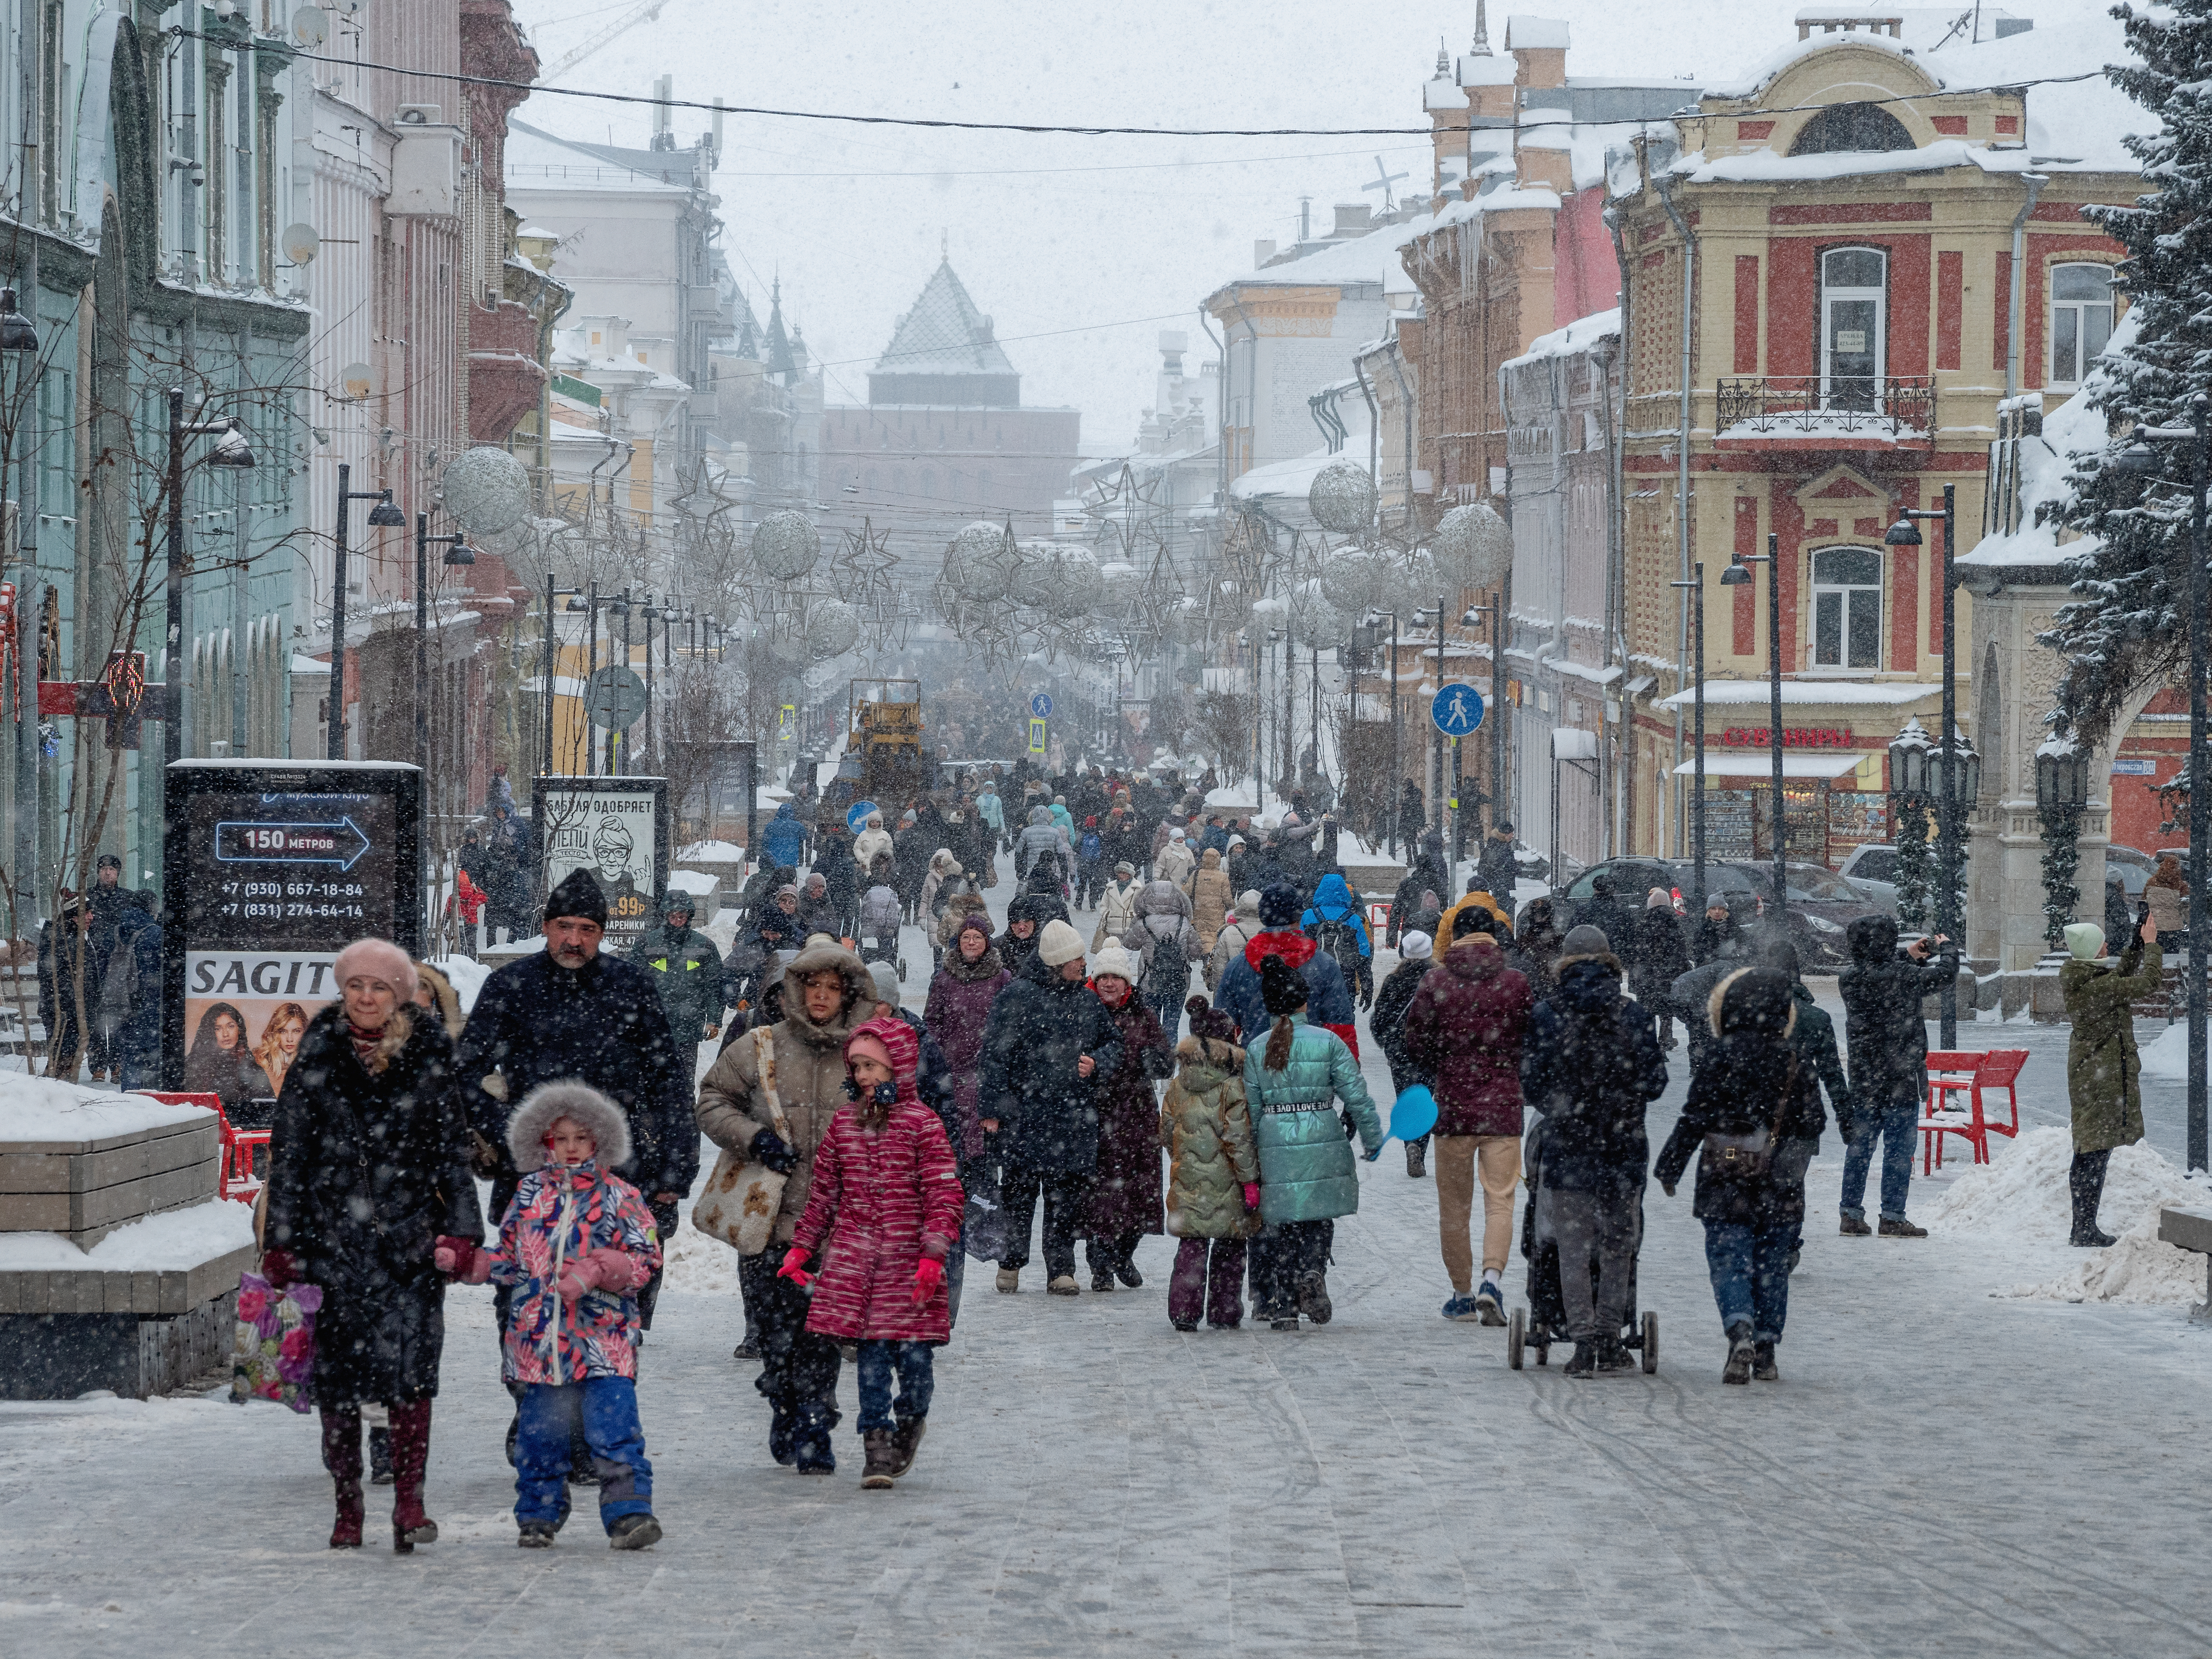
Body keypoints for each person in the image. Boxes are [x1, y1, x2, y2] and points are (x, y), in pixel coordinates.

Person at [260, 938, 482, 1552]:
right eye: (356, 985)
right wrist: (281, 1242)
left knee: (412, 1379)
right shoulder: (319, 1048)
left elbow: (450, 1151)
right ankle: (348, 1502)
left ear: (401, 994)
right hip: (330, 1243)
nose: (365, 997)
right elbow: (292, 1154)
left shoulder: (429, 1049)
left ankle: (410, 1501)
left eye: (379, 987)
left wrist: (463, 1230)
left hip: (408, 1244)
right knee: (338, 1384)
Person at [455, 869, 696, 1353]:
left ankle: (593, 1421)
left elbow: (669, 1083)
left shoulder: (631, 987)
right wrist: (510, 1133)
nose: (574, 939)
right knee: (523, 1311)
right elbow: (463, 1076)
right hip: (530, 1176)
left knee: (610, 1321)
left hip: (617, 1178)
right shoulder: (511, 987)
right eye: (565, 926)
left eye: (587, 930)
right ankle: (530, 1412)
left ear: (602, 935)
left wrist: (674, 1170)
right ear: (546, 926)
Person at [438, 1083, 664, 1549]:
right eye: (561, 1139)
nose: (571, 1147)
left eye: (581, 1138)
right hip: (540, 1343)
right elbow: (511, 1257)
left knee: (614, 1429)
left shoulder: (620, 1196)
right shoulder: (528, 1194)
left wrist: (602, 1269)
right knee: (539, 1437)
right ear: (545, 1143)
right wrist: (472, 1264)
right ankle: (539, 1512)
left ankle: (629, 1513)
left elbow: (647, 1259)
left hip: (605, 1338)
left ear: (598, 1140)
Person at [696, 942, 878, 1473]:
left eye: (832, 988)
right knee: (775, 1334)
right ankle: (783, 1400)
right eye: (813, 986)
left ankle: (817, 1424)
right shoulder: (761, 1045)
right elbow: (711, 1100)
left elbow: (902, 1112)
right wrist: (754, 1138)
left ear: (848, 995)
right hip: (768, 1220)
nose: (821, 997)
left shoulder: (868, 1053)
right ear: (796, 989)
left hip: (835, 1223)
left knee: (822, 1331)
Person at [777, 1015, 961, 1489]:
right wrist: (802, 1246)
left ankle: (911, 1420)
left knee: (916, 1363)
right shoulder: (845, 1124)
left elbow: (943, 1193)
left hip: (910, 1262)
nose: (862, 1076)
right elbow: (824, 1194)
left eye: (872, 1067)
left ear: (896, 1067)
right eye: (856, 1067)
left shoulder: (923, 1124)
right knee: (873, 1358)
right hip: (859, 1264)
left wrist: (933, 1254)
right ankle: (876, 1442)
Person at [1519, 924, 1669, 1377]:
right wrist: (1622, 1101)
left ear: (1563, 963)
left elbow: (1531, 1082)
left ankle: (1582, 1342)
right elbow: (1656, 1083)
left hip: (1568, 1148)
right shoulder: (1634, 1015)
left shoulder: (1547, 1014)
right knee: (1618, 1244)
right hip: (1622, 1148)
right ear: (1611, 963)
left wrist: (1563, 1108)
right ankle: (1609, 1334)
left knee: (1572, 1247)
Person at [1654, 966, 1804, 1384]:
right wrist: (1791, 1160)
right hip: (1780, 1182)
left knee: (1729, 1259)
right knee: (1772, 1263)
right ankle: (1768, 1348)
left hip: (1725, 1175)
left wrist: (1671, 1166)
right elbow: (1812, 1122)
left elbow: (1694, 1117)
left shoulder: (1718, 1056)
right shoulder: (1792, 1057)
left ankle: (1740, 1330)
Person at [977, 920, 1122, 1295]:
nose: (1082, 964)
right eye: (1076, 958)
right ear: (1058, 961)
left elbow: (1114, 1044)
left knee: (1064, 1201)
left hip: (1071, 1119)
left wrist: (1098, 1063)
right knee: (1018, 1198)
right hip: (1022, 1119)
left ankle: (1061, 1271)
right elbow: (994, 1056)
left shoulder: (1086, 1000)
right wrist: (992, 1110)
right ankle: (1010, 1265)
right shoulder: (1016, 996)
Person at [1242, 955, 1385, 1330]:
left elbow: (1251, 1110)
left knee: (1283, 1224)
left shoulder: (1257, 1049)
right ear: (1305, 1003)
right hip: (1323, 1133)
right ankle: (1312, 1269)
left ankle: (1285, 1304)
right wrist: (1372, 1138)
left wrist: (1254, 1152)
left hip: (1276, 1142)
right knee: (1318, 1217)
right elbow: (1357, 1095)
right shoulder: (1328, 1042)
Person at [1403, 923, 1534, 1325]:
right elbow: (1532, 1040)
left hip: (1454, 1110)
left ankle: (1461, 1294)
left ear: (1454, 938)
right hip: (1503, 1109)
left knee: (1454, 1208)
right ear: (1494, 939)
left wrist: (1445, 1065)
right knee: (1501, 1201)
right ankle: (1491, 1280)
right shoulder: (1516, 983)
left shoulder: (1435, 982)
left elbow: (1415, 1042)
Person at [1836, 915, 1958, 1238]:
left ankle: (1850, 1214)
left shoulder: (1848, 979)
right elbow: (1946, 976)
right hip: (1900, 1076)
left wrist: (1907, 956)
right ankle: (1891, 1217)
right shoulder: (1902, 977)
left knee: (1860, 1148)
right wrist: (1947, 949)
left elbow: (1878, 973)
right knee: (1899, 1151)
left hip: (1865, 1077)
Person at [2061, 914, 2162, 1247]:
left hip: (2094, 1077)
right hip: (2099, 1082)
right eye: (2101, 943)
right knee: (2093, 1153)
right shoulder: (2097, 986)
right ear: (2091, 950)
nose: (2107, 946)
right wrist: (2151, 947)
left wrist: (2134, 946)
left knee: (2092, 1151)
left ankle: (2083, 1227)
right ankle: (2084, 1229)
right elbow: (2148, 983)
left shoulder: (2087, 979)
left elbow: (2119, 977)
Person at [1160, 996, 1260, 1330]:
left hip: (1187, 1178)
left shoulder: (1178, 1084)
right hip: (1229, 1181)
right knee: (1231, 1245)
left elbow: (1167, 1131)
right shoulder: (1234, 1085)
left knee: (1193, 1242)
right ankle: (1224, 1310)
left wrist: (1185, 1158)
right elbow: (1239, 1139)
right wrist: (1250, 1181)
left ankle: (1184, 1312)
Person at [1081, 943, 1175, 1292]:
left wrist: (1156, 1060)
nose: (1108, 984)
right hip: (1098, 1113)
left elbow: (1166, 1059)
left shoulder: (1144, 1016)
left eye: (1115, 978)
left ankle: (1124, 1253)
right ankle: (1100, 1265)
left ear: (1127, 983)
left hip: (1136, 1113)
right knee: (1101, 1194)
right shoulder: (1084, 1011)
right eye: (1103, 977)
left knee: (1141, 1190)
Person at [1765, 941, 1855, 1275]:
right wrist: (1847, 1119)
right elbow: (1832, 1074)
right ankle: (1788, 1243)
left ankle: (1760, 1240)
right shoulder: (1817, 1018)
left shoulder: (1750, 1011)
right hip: (1802, 1114)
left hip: (1756, 1114)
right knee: (1791, 1183)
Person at [1215, 882, 1359, 1053]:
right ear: (1299, 917)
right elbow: (1340, 1027)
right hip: (1313, 1067)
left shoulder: (1238, 966)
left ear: (1263, 917)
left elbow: (1222, 1033)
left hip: (1256, 1064)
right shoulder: (1324, 965)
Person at [1369, 929, 1436, 1177]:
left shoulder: (1393, 981)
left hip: (1400, 1053)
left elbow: (1380, 1019)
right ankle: (1420, 1148)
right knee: (1425, 1101)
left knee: (1407, 1100)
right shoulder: (1438, 980)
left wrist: (1388, 1045)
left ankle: (1410, 1144)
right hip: (1430, 1051)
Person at [627, 891, 731, 1048]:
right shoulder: (647, 943)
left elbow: (714, 985)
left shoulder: (704, 946)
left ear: (689, 917)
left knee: (686, 1072)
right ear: (665, 916)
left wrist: (713, 1020)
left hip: (689, 1027)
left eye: (682, 917)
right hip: (654, 1026)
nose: (677, 922)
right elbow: (632, 982)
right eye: (673, 917)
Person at [1126, 878, 1203, 1043]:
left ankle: (1152, 1063)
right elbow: (1196, 953)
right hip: (1178, 981)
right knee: (1171, 1028)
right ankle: (1169, 1063)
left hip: (1149, 982)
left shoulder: (1143, 923)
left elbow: (1129, 945)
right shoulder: (1185, 923)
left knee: (1150, 1028)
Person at [99, 900, 165, 1090]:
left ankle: (130, 1098)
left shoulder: (116, 932)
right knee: (154, 1057)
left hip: (122, 1004)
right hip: (149, 1005)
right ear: (151, 909)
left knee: (130, 1057)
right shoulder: (156, 934)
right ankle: (153, 1102)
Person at [183, 999, 276, 1122]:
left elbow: (268, 1112)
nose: (226, 1034)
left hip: (244, 1136)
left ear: (239, 1029)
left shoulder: (252, 1068)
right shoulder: (195, 1066)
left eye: (231, 1026)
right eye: (218, 1028)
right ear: (211, 1033)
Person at [1301, 871, 1374, 1011]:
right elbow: (1364, 956)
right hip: (1344, 982)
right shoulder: (1353, 920)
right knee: (1343, 1022)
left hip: (1311, 981)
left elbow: (1297, 950)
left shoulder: (1307, 916)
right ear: (1344, 893)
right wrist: (1367, 987)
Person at [1631, 889, 1691, 1052]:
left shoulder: (1644, 922)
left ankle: (1650, 1043)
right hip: (1667, 975)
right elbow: (1680, 950)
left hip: (1648, 976)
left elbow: (1637, 952)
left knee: (1648, 1011)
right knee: (1666, 1012)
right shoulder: (1674, 921)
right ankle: (1665, 1040)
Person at [253, 1002, 312, 1102]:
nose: (290, 1039)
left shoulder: (312, 1065)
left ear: (305, 1032)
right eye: (283, 1031)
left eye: (296, 1031)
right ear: (274, 1033)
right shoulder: (259, 1062)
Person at [997, 891, 1062, 973]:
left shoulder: (1048, 944)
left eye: (1027, 921)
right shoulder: (999, 947)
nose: (1022, 927)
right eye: (1016, 923)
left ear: (1035, 923)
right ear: (1010, 925)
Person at [1189, 847, 1234, 955]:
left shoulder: (1196, 874)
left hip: (1199, 913)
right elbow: (1227, 899)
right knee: (1214, 937)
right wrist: (1233, 907)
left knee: (1202, 936)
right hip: (1216, 916)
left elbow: (1187, 893)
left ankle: (1205, 957)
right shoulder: (1222, 877)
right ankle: (1210, 961)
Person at [1017, 806, 1071, 896]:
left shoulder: (1026, 832)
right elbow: (1061, 854)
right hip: (1049, 872)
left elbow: (1019, 853)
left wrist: (1020, 872)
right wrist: (1064, 874)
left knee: (1032, 898)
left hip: (1031, 874)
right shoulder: (1055, 833)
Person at [1093, 860, 1142, 952]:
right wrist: (1107, 914)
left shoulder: (1137, 889)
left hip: (1128, 925)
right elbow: (1104, 904)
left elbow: (1140, 906)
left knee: (1127, 955)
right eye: (1120, 873)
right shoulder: (1110, 888)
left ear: (1130, 875)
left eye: (1125, 873)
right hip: (1113, 925)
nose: (1122, 876)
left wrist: (1134, 916)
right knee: (1114, 952)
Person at [2146, 856, 2188, 951]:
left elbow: (2144, 901)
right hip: (2174, 927)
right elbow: (2186, 906)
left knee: (2155, 953)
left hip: (2155, 925)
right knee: (2172, 956)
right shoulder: (2181, 885)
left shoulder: (2151, 882)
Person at [1692, 896, 1749, 966]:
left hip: (1732, 970)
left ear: (1725, 910)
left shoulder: (1734, 929)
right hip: (1710, 970)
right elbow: (1699, 957)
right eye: (1713, 909)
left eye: (1721, 908)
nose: (1717, 912)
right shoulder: (1702, 932)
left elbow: (1745, 951)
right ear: (1709, 911)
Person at [1475, 820, 1518, 905]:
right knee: (1502, 906)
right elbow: (1504, 864)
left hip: (1497, 883)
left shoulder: (1493, 844)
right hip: (1501, 883)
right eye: (1511, 833)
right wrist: (1516, 868)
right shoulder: (1502, 847)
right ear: (1505, 834)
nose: (1512, 836)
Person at [761, 800, 809, 871]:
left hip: (774, 861)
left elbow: (765, 843)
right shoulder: (797, 826)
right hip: (791, 861)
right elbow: (804, 836)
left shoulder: (770, 826)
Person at [1155, 825, 1196, 893]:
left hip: (1184, 886)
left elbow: (1192, 869)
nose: (1181, 840)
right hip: (1168, 886)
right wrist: (1156, 878)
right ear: (1173, 839)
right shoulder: (1165, 851)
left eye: (1182, 838)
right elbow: (1159, 866)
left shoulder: (1188, 852)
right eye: (1178, 838)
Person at [854, 810, 894, 876]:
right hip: (866, 870)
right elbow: (857, 849)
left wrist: (883, 862)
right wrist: (864, 860)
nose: (875, 824)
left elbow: (889, 851)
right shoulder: (863, 835)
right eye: (873, 822)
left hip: (882, 870)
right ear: (869, 823)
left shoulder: (886, 835)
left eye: (877, 822)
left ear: (880, 823)